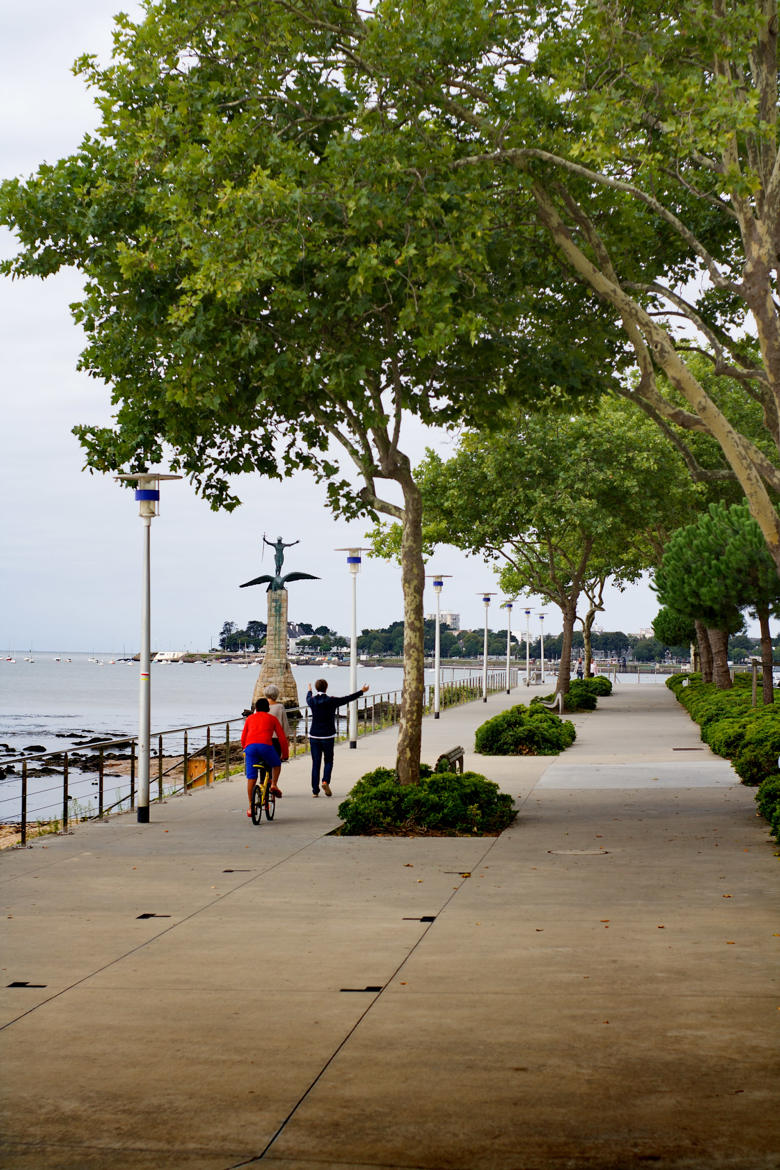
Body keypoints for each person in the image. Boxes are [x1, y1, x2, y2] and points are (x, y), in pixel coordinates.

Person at [306, 679, 370, 797]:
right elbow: (348, 698)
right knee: (328, 760)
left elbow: (308, 697)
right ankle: (325, 781)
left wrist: (309, 690)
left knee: (316, 763)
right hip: (328, 735)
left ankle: (315, 791)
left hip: (314, 735)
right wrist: (362, 691)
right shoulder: (332, 701)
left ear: (316, 688)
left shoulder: (312, 701)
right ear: (326, 688)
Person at [241, 697, 288, 817]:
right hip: (265, 747)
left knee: (251, 777)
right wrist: (285, 754)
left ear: (256, 708)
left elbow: (243, 737)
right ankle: (274, 785)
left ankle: (251, 807)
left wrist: (245, 749)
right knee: (276, 764)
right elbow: (281, 738)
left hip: (250, 748)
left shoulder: (249, 718)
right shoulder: (272, 719)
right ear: (268, 708)